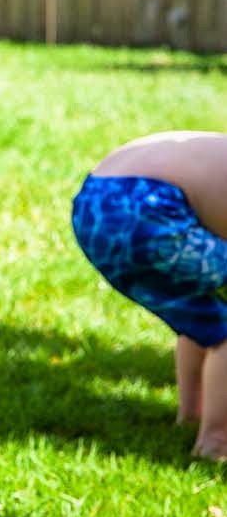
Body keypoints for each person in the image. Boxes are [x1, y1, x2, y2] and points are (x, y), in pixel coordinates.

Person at [71, 131, 227, 460]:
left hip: (95, 198)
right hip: (149, 206)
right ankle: (217, 442)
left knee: (207, 310)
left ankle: (191, 416)